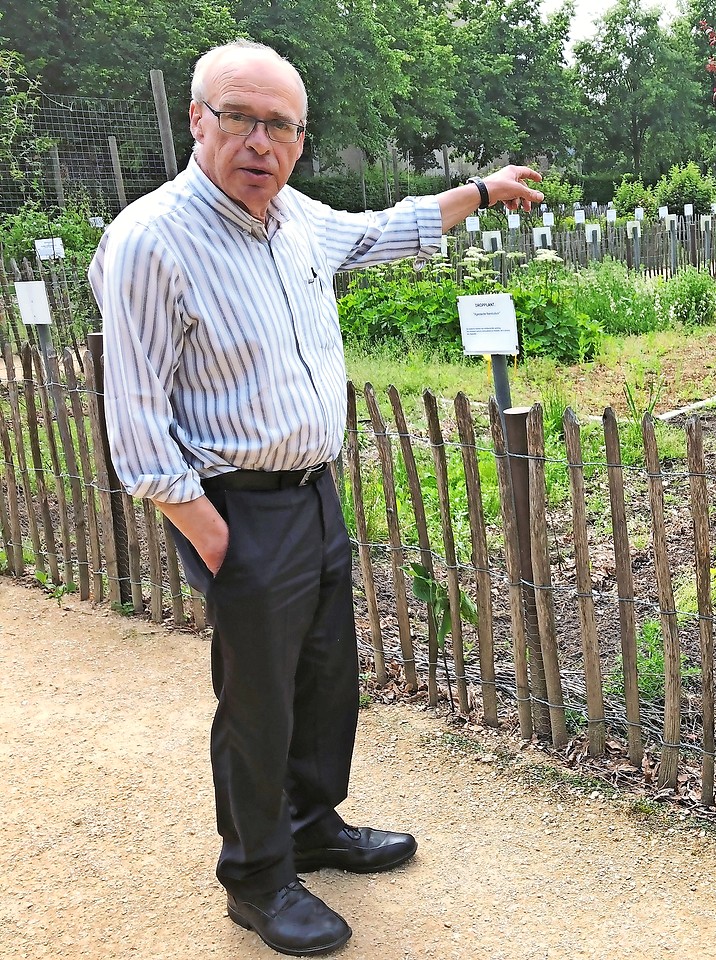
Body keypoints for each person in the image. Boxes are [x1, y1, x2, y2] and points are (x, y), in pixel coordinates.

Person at [89, 39, 543, 956]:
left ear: (300, 139)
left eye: (280, 126)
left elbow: (382, 229)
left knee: (327, 681)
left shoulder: (294, 218)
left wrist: (482, 192)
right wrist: (218, 540)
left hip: (314, 495)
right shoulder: (150, 240)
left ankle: (310, 825)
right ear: (197, 121)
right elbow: (135, 426)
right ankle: (256, 880)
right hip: (238, 506)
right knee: (257, 701)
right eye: (240, 119)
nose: (260, 142)